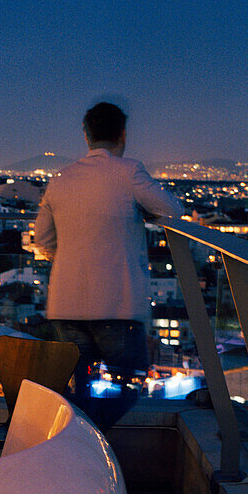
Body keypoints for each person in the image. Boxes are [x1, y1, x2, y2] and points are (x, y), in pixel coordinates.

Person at [33, 101, 182, 429]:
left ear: (86, 136)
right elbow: (172, 210)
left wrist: (71, 257)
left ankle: (80, 443)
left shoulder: (60, 178)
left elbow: (41, 238)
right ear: (123, 135)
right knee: (130, 383)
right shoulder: (128, 171)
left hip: (66, 305)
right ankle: (92, 439)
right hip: (117, 305)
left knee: (79, 390)